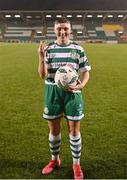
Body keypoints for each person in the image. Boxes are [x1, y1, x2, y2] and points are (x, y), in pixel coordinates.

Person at [38, 17, 91, 180]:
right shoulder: (49, 49)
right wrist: (41, 57)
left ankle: (76, 164)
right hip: (52, 92)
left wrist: (81, 85)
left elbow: (86, 71)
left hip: (73, 93)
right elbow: (43, 75)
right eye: (59, 28)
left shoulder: (78, 49)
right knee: (54, 129)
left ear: (70, 30)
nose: (62, 31)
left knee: (74, 130)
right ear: (54, 30)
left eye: (65, 28)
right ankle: (55, 160)